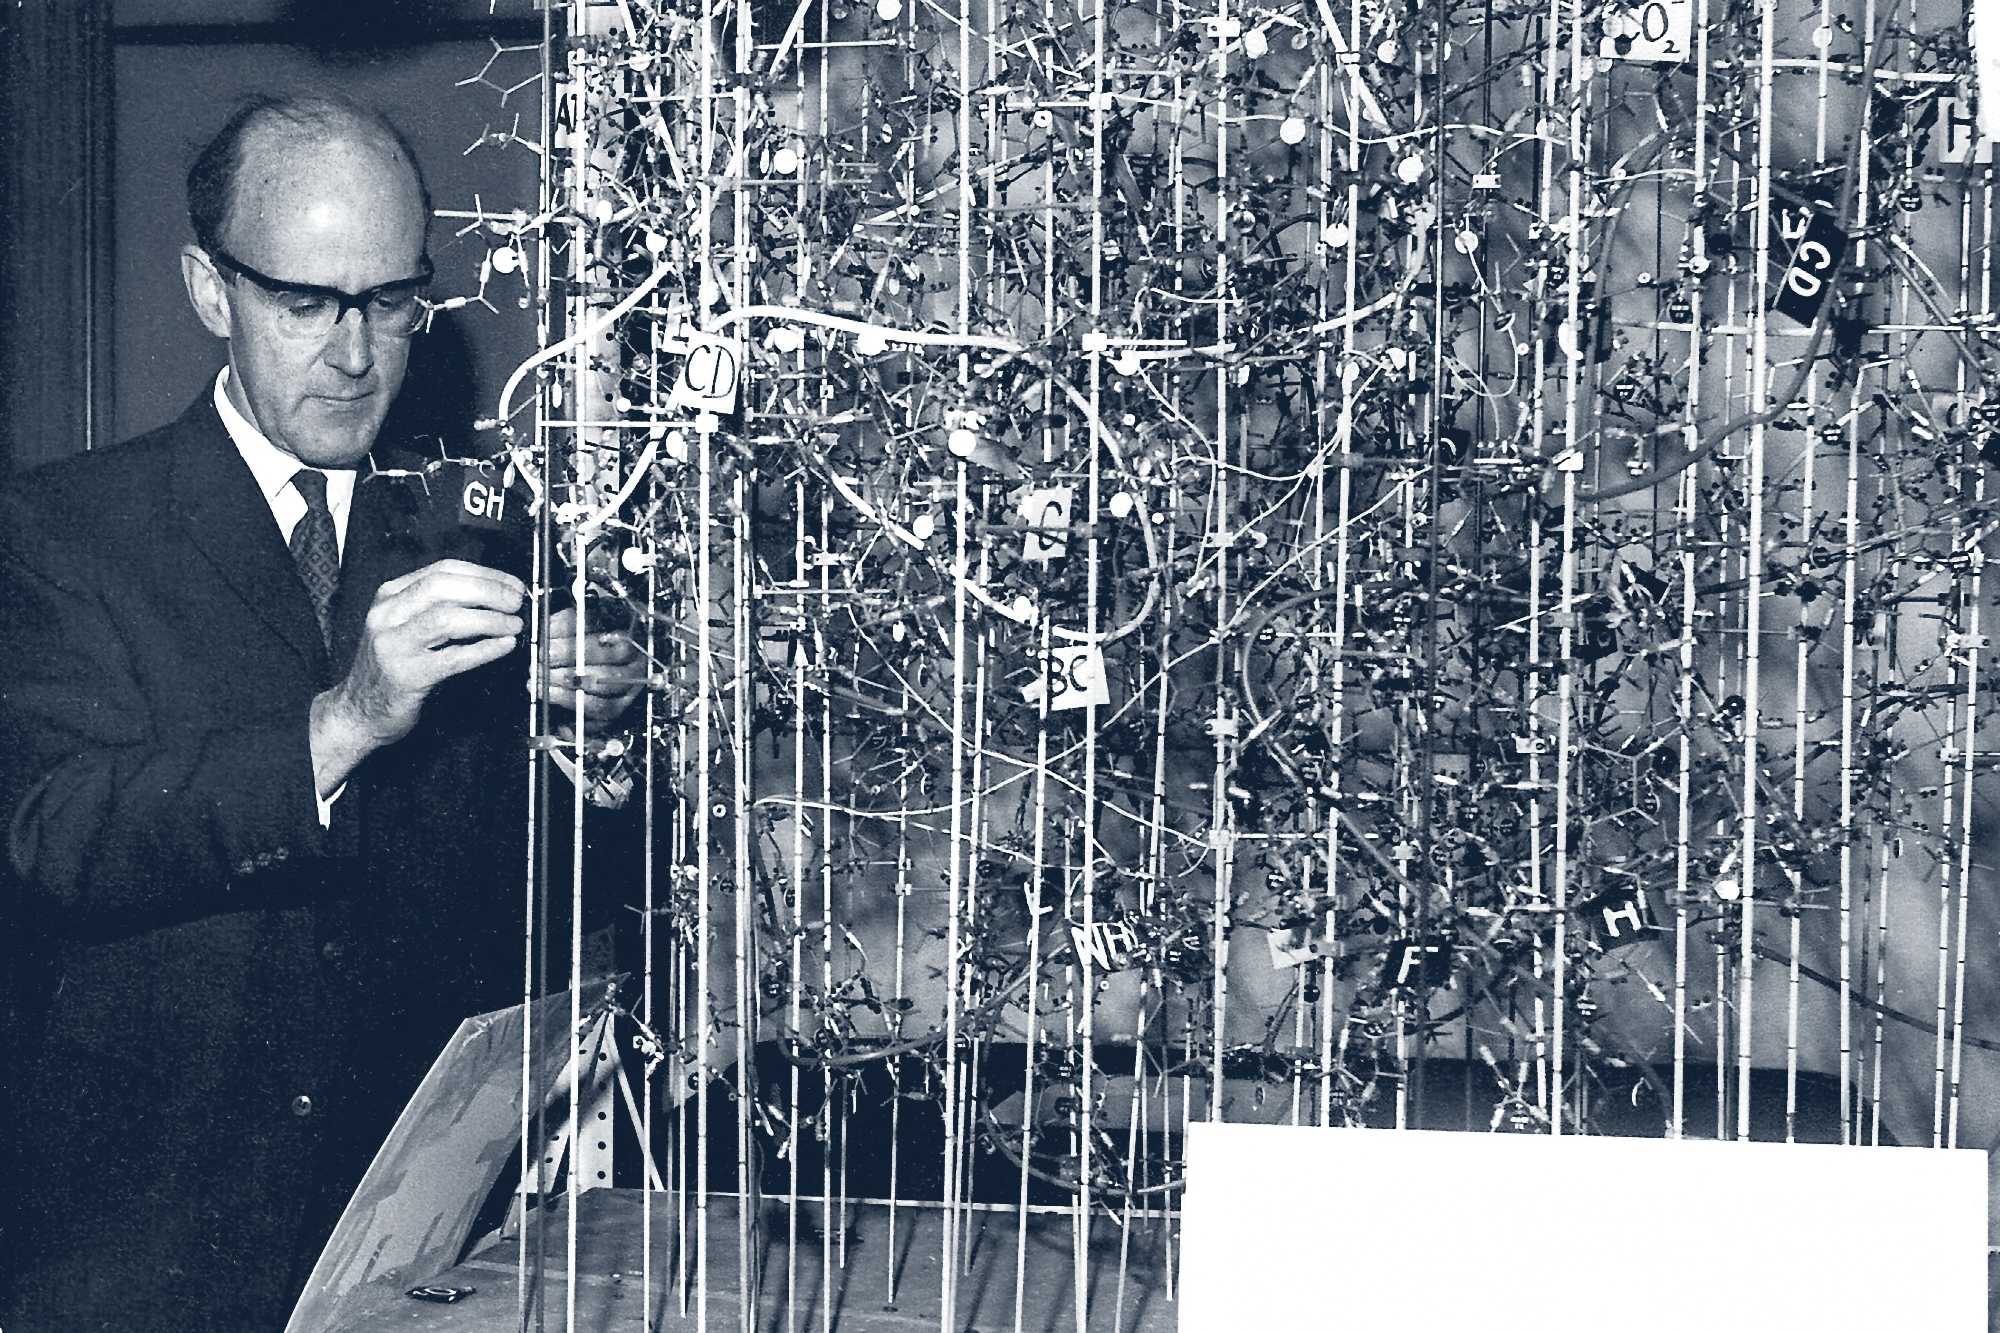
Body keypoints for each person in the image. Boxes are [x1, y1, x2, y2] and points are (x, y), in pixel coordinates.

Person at [0, 94, 638, 1331]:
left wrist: (593, 740)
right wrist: (344, 720)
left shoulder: (484, 530)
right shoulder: (61, 531)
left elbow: (563, 896)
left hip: (421, 1243)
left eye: (391, 302)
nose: (355, 356)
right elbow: (51, 834)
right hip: (148, 1247)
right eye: (306, 304)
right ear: (207, 289)